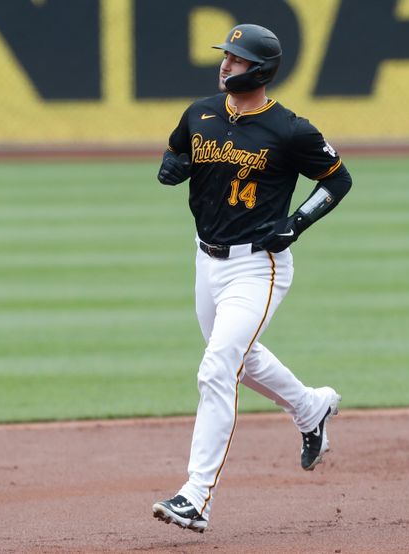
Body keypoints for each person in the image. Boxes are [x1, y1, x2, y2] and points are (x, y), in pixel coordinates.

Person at [151, 23, 353, 533]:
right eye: (226, 56)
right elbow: (177, 150)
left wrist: (298, 222)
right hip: (206, 261)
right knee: (238, 357)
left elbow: (338, 179)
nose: (225, 64)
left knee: (217, 368)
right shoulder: (199, 113)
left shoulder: (290, 130)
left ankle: (195, 498)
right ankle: (312, 408)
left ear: (259, 70)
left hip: (257, 266)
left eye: (236, 59)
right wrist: (172, 164)